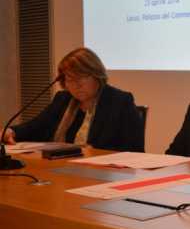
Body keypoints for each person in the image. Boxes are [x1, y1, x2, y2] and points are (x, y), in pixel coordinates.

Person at [3, 47, 144, 151]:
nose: (77, 85)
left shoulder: (119, 102)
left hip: (104, 174)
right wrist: (10, 131)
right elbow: (36, 127)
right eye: (70, 79)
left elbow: (134, 149)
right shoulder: (62, 100)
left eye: (82, 77)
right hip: (61, 168)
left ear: (97, 75)